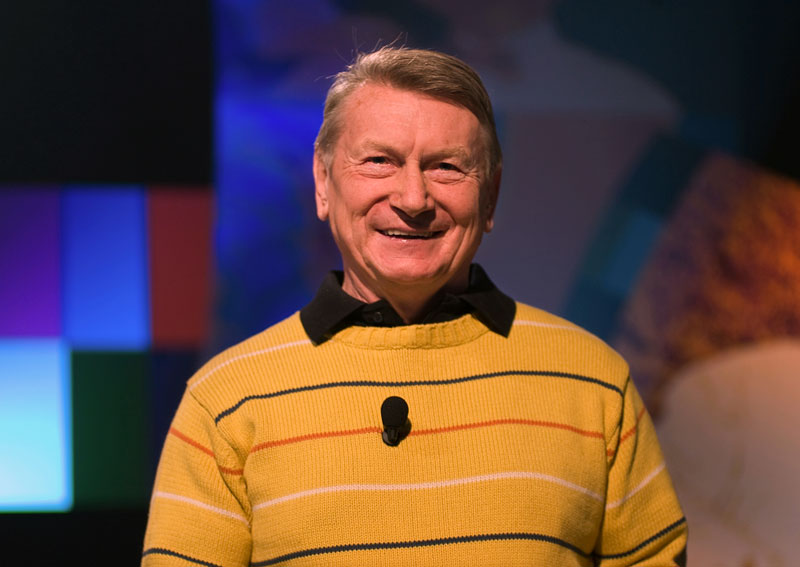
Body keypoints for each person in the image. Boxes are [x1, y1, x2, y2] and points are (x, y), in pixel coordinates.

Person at [142, 47, 687, 566]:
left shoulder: (593, 382)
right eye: (379, 161)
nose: (413, 199)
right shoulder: (225, 402)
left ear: (491, 195)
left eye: (446, 167)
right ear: (323, 183)